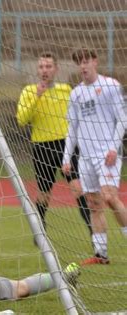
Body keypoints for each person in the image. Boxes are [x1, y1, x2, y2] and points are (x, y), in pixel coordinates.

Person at [62, 49, 127, 265]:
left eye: (86, 61)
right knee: (94, 204)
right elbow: (72, 128)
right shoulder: (76, 94)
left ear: (95, 62)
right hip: (86, 158)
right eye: (79, 62)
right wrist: (66, 158)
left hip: (107, 155)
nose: (83, 65)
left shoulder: (111, 86)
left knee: (109, 197)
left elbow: (123, 120)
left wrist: (113, 148)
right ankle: (101, 254)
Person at [16, 52, 91, 236]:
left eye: (48, 66)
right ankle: (40, 229)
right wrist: (37, 97)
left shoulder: (66, 90)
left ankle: (93, 231)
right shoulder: (28, 91)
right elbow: (22, 120)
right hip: (42, 146)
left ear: (56, 69)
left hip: (66, 146)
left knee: (78, 188)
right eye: (41, 67)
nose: (45, 70)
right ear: (37, 70)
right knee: (44, 193)